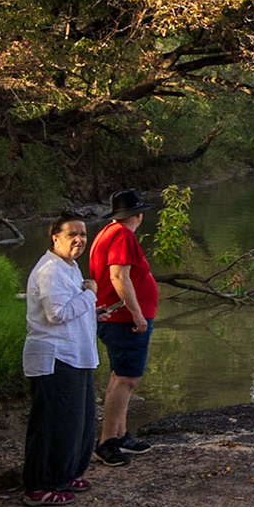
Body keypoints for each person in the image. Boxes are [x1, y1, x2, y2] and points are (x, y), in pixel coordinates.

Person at [21, 214, 100, 506]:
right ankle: (40, 486)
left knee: (79, 421)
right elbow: (56, 314)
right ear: (56, 237)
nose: (79, 240)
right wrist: (90, 296)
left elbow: (71, 309)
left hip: (76, 356)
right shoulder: (50, 270)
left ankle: (65, 475)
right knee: (53, 422)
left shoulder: (71, 266)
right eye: (72, 235)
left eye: (83, 234)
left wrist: (94, 310)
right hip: (54, 357)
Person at [90, 190, 160, 466]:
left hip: (116, 318)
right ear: (137, 215)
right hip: (124, 320)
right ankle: (107, 442)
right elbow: (118, 275)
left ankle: (120, 435)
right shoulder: (123, 235)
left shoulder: (107, 231)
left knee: (120, 376)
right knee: (127, 379)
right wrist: (137, 314)